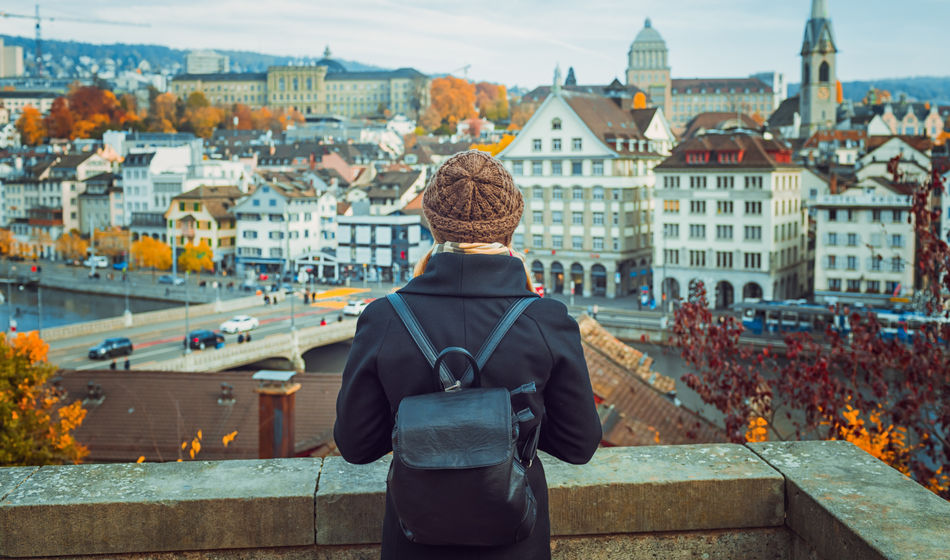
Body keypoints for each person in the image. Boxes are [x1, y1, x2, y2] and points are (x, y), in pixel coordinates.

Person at [334, 150, 602, 559]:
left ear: (432, 225)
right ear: (511, 228)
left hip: (414, 543)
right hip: (515, 544)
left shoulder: (383, 317)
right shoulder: (547, 321)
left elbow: (356, 446)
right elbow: (579, 445)